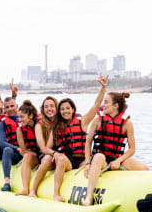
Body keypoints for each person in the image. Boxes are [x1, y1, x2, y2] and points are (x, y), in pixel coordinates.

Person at [45, 73, 108, 202]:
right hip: (68, 162)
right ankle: (56, 194)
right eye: (62, 109)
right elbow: (47, 148)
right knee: (61, 159)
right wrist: (55, 154)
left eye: (68, 108)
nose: (65, 111)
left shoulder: (83, 121)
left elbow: (96, 105)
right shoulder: (57, 126)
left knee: (93, 163)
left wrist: (103, 88)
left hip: (83, 160)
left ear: (73, 109)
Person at [82, 92, 149, 206]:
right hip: (100, 161)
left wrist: (118, 160)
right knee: (99, 156)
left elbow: (132, 149)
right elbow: (88, 143)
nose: (103, 105)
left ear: (115, 105)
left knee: (144, 168)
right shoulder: (98, 119)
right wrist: (88, 163)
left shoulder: (127, 123)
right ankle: (89, 197)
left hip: (116, 161)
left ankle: (142, 196)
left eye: (106, 102)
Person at [28, 96, 58, 198]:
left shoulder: (62, 122)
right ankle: (33, 190)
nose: (49, 109)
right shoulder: (39, 126)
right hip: (46, 154)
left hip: (61, 154)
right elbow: (43, 148)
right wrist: (54, 154)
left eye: (52, 106)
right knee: (48, 158)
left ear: (57, 107)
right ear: (43, 109)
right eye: (46, 107)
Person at [14, 100, 40, 196]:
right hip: (34, 157)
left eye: (22, 117)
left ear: (31, 116)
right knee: (27, 156)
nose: (19, 120)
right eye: (19, 117)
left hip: (45, 155)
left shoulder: (41, 125)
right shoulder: (19, 130)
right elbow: (24, 151)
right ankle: (25, 189)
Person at [0, 96, 20, 191]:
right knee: (7, 149)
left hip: (29, 152)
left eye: (12, 106)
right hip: (16, 154)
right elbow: (2, 143)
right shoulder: (2, 124)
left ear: (17, 106)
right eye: (7, 107)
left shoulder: (25, 118)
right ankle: (7, 182)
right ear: (4, 109)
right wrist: (18, 149)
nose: (10, 109)